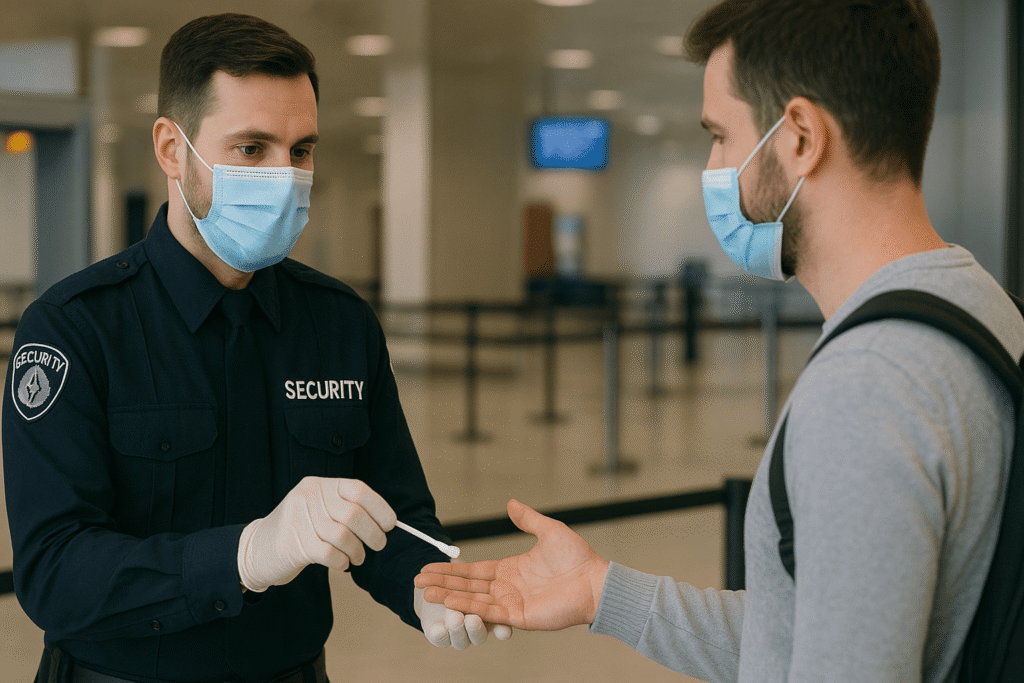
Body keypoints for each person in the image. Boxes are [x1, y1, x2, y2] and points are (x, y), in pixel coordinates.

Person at [415, 0, 1024, 680]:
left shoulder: (866, 388)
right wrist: (599, 591)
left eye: (721, 136)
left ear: (798, 137)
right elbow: (810, 635)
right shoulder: (982, 306)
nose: (715, 166)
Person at [3, 13, 508, 683]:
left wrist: (435, 585)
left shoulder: (340, 323)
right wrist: (244, 553)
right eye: (251, 148)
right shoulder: (74, 329)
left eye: (300, 150)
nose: (285, 175)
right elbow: (56, 571)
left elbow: (395, 514)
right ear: (171, 149)